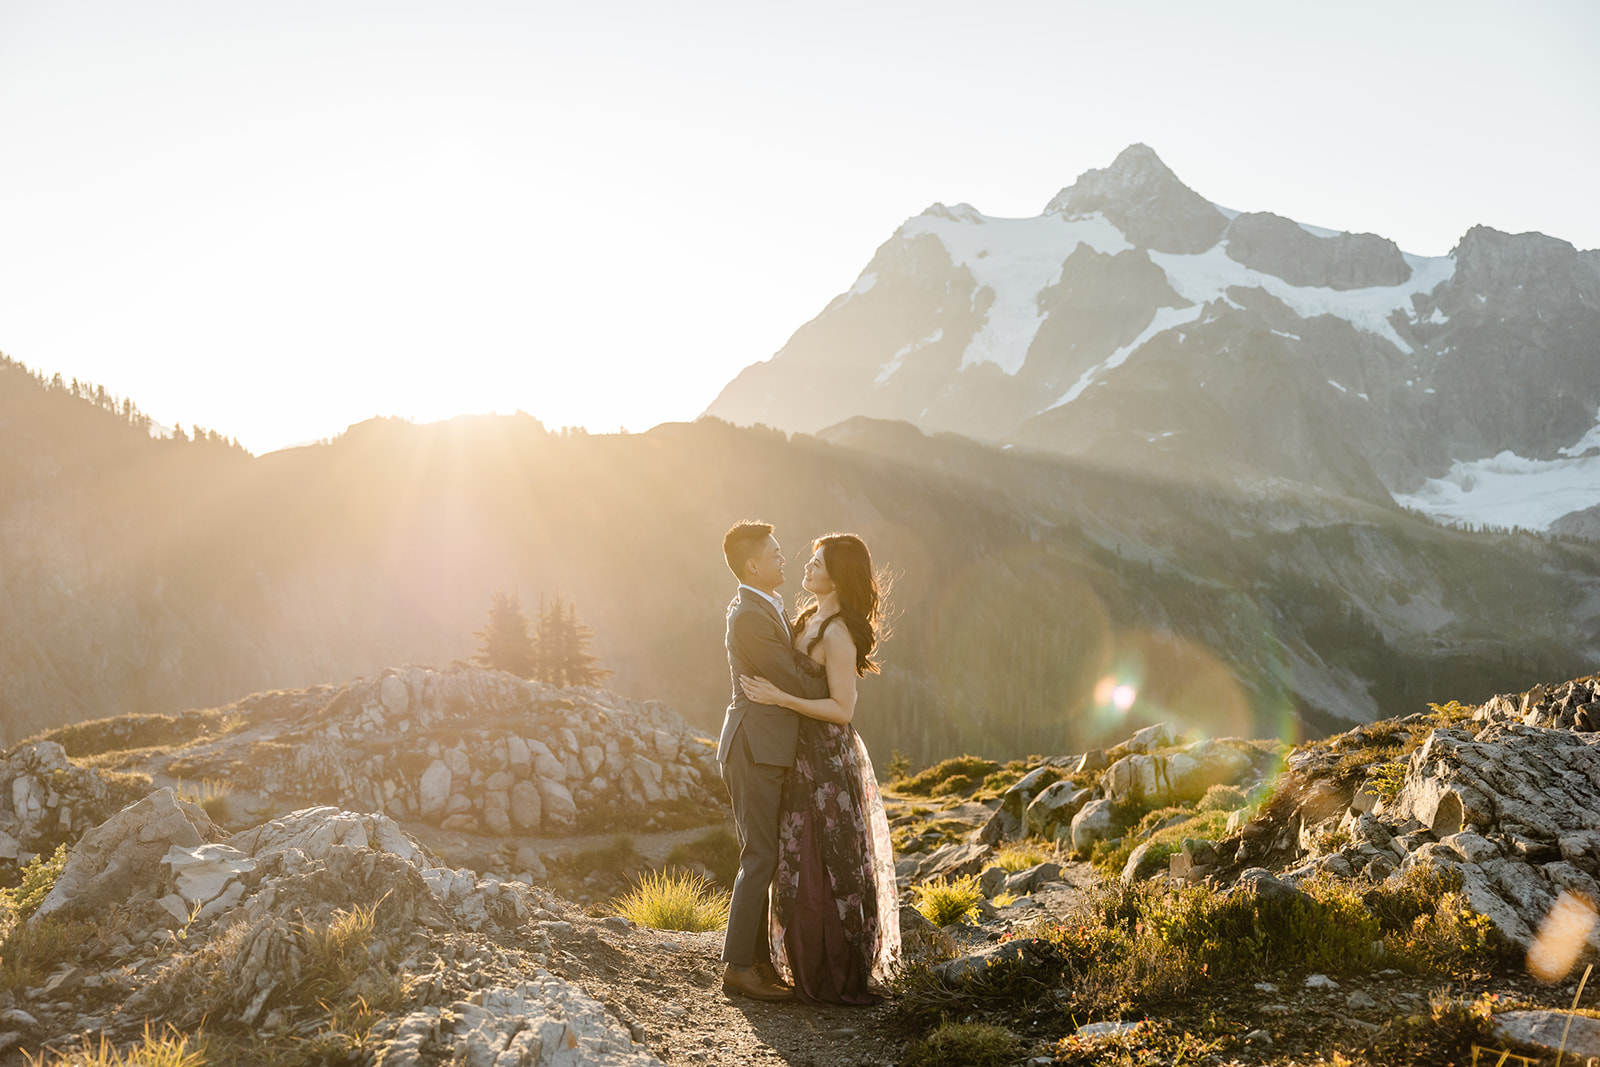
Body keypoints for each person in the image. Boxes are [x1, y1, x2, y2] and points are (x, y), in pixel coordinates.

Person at [739, 533, 900, 1005]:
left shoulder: (837, 632)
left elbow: (842, 709)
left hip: (828, 759)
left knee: (830, 859)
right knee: (798, 856)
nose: (806, 567)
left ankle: (834, 969)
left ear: (837, 575)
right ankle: (803, 961)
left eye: (817, 562)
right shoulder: (809, 618)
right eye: (809, 560)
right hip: (799, 755)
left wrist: (780, 698)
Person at [716, 520, 829, 1002]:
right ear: (752, 565)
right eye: (776, 553)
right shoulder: (749, 616)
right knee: (760, 855)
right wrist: (838, 688)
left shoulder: (765, 606)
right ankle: (739, 967)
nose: (785, 559)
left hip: (767, 745)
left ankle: (757, 960)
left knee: (767, 854)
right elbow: (790, 677)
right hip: (754, 746)